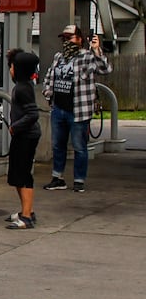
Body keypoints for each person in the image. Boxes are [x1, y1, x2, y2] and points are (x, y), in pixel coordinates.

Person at [42, 24, 112, 193]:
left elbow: (105, 69)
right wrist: (48, 93)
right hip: (58, 108)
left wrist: (97, 50)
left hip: (78, 110)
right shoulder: (59, 57)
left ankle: (79, 180)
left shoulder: (87, 56)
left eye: (70, 38)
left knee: (79, 146)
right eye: (64, 38)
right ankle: (57, 178)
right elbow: (49, 76)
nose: (66, 41)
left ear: (79, 39)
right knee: (58, 146)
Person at [5, 50, 42, 229]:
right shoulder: (23, 85)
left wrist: (15, 127)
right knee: (17, 175)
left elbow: (32, 114)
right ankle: (26, 210)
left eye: (12, 66)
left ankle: (27, 217)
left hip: (26, 136)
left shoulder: (23, 88)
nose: (10, 69)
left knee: (23, 175)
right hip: (23, 135)